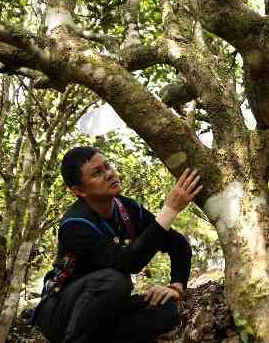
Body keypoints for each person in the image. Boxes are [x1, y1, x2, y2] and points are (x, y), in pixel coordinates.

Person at [33, 146, 202, 343]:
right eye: (97, 173)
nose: (109, 174)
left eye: (107, 166)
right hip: (59, 312)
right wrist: (170, 209)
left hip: (102, 311)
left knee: (167, 311)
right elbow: (128, 263)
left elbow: (177, 244)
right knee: (115, 280)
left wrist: (175, 287)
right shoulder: (75, 225)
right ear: (78, 191)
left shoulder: (127, 209)